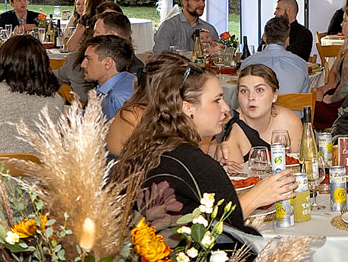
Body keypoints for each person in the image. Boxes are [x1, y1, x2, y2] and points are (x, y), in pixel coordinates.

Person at [114, 53, 298, 241]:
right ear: (188, 108)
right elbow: (225, 224)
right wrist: (260, 194)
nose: (226, 108)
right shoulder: (190, 160)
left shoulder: (153, 143)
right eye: (217, 100)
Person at [219, 64, 305, 162]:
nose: (251, 97)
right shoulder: (234, 131)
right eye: (244, 91)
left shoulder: (290, 122)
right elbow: (233, 176)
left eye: (259, 90)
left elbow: (299, 166)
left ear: (274, 95)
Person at [239, 17, 313, 95]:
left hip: (259, 106)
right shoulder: (301, 64)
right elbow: (303, 97)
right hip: (291, 107)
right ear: (288, 41)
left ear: (264, 38)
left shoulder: (247, 63)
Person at [81, 34, 140, 120]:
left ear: (107, 63)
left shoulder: (118, 98)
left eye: (88, 59)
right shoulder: (126, 78)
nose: (83, 65)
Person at [153, 0, 217, 55]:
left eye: (203, 1)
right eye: (197, 0)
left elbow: (219, 55)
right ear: (184, 3)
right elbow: (159, 57)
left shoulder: (209, 29)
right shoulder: (168, 26)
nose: (202, 4)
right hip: (175, 65)